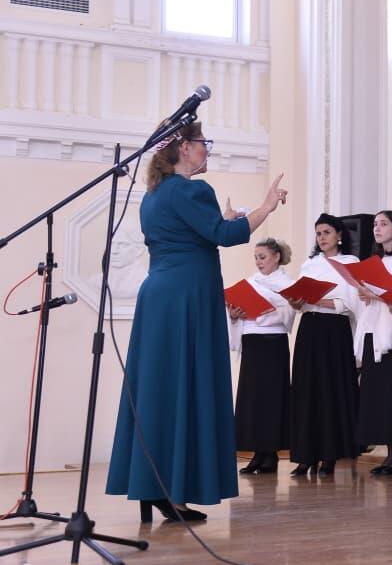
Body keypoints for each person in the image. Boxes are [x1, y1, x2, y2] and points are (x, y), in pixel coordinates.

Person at [106, 121, 288, 522]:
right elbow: (227, 235)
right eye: (203, 143)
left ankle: (150, 486)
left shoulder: (154, 195)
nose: (208, 150)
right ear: (184, 148)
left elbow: (196, 234)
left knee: (159, 387)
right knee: (185, 386)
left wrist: (217, 222)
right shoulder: (191, 190)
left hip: (159, 296)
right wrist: (266, 206)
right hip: (188, 296)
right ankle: (172, 490)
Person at [288, 214, 361, 477]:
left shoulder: (350, 263)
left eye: (327, 232)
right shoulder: (309, 265)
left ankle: (329, 456)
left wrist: (319, 301)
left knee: (330, 390)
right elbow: (299, 299)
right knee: (307, 390)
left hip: (335, 330)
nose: (322, 237)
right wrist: (296, 302)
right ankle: (305, 456)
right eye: (318, 233)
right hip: (310, 329)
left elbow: (352, 301)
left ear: (339, 235)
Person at [352, 210, 392, 475]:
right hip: (375, 330)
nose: (377, 228)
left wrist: (375, 292)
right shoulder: (376, 260)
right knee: (378, 395)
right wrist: (365, 294)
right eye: (375, 224)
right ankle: (390, 455)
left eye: (384, 224)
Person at [227, 237, 296, 476]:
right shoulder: (251, 282)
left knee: (271, 398)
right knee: (252, 398)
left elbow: (288, 313)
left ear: (276, 256)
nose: (258, 262)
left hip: (273, 343)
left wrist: (263, 314)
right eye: (256, 257)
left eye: (263, 257)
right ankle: (257, 453)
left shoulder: (287, 283)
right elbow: (236, 309)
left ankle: (270, 455)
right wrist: (235, 315)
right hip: (252, 342)